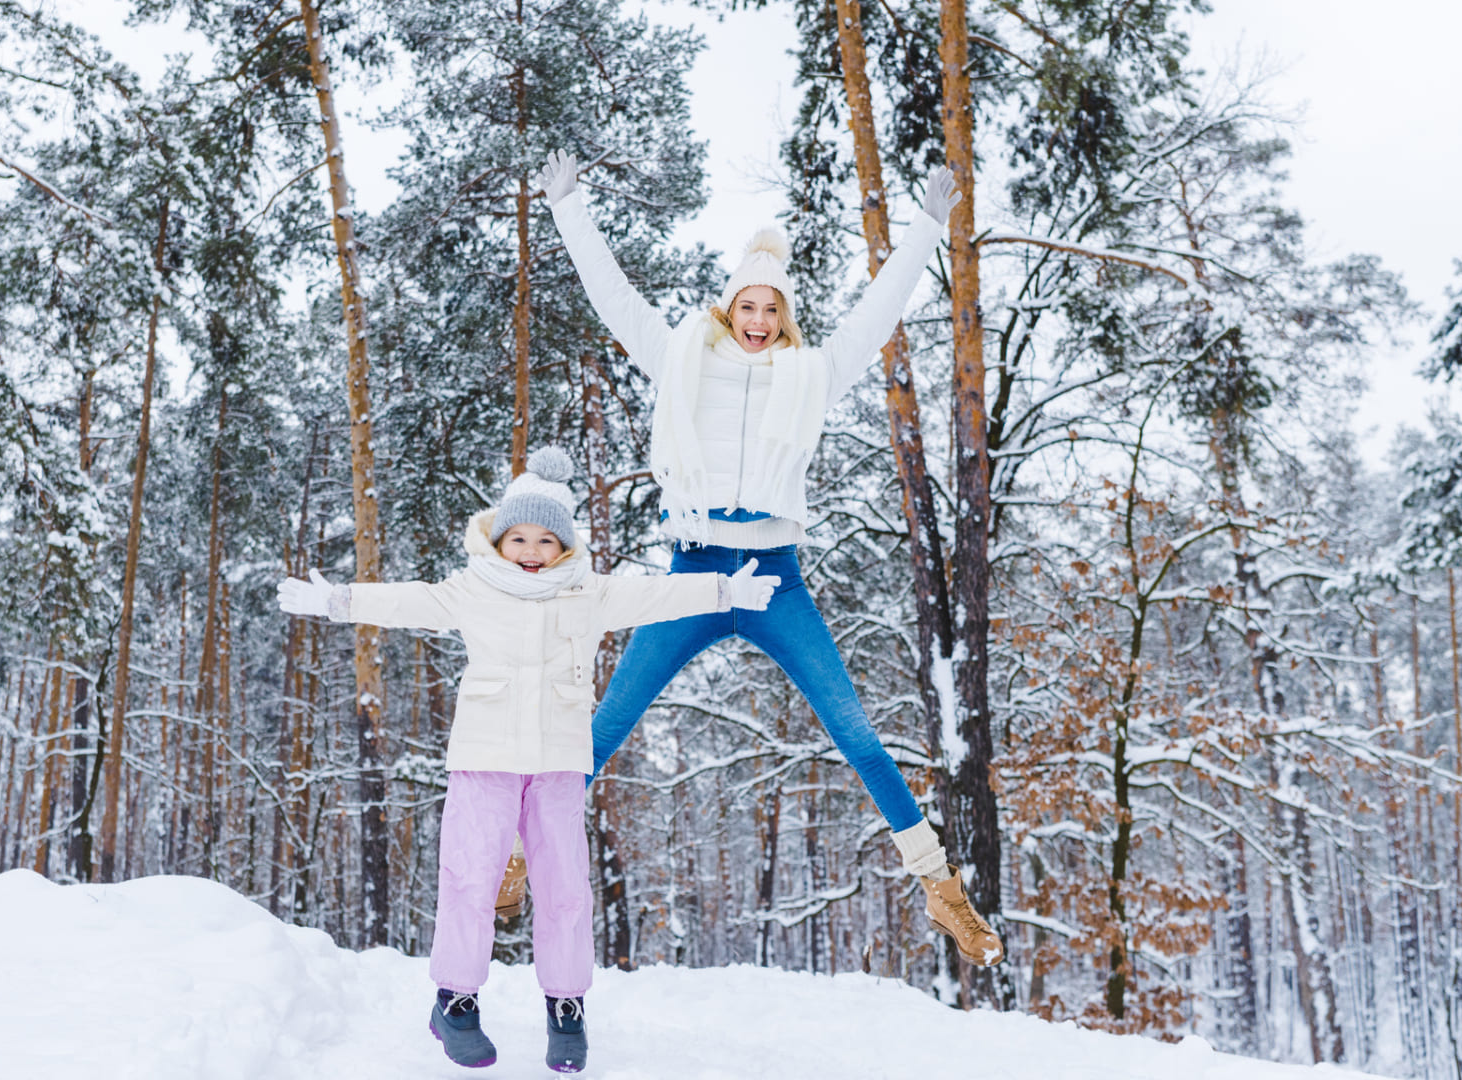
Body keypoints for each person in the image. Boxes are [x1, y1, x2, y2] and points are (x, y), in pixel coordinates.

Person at [517, 149, 1003, 968]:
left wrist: (924, 228)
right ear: (729, 305)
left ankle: (940, 887)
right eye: (747, 304)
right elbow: (616, 300)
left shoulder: (810, 373)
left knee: (856, 732)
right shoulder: (680, 360)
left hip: (775, 578)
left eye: (770, 309)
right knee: (605, 725)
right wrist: (569, 210)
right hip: (694, 574)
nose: (758, 318)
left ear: (783, 316)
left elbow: (876, 315)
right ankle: (520, 859)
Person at [277, 446, 779, 1072]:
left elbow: (656, 596)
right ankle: (455, 1000)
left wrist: (724, 588)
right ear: (499, 537)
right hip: (485, 756)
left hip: (559, 761)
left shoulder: (588, 593)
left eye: (547, 539)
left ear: (564, 545)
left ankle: (566, 1006)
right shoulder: (472, 589)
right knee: (470, 879)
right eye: (519, 537)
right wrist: (339, 600)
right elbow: (407, 602)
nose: (533, 550)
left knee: (566, 887)